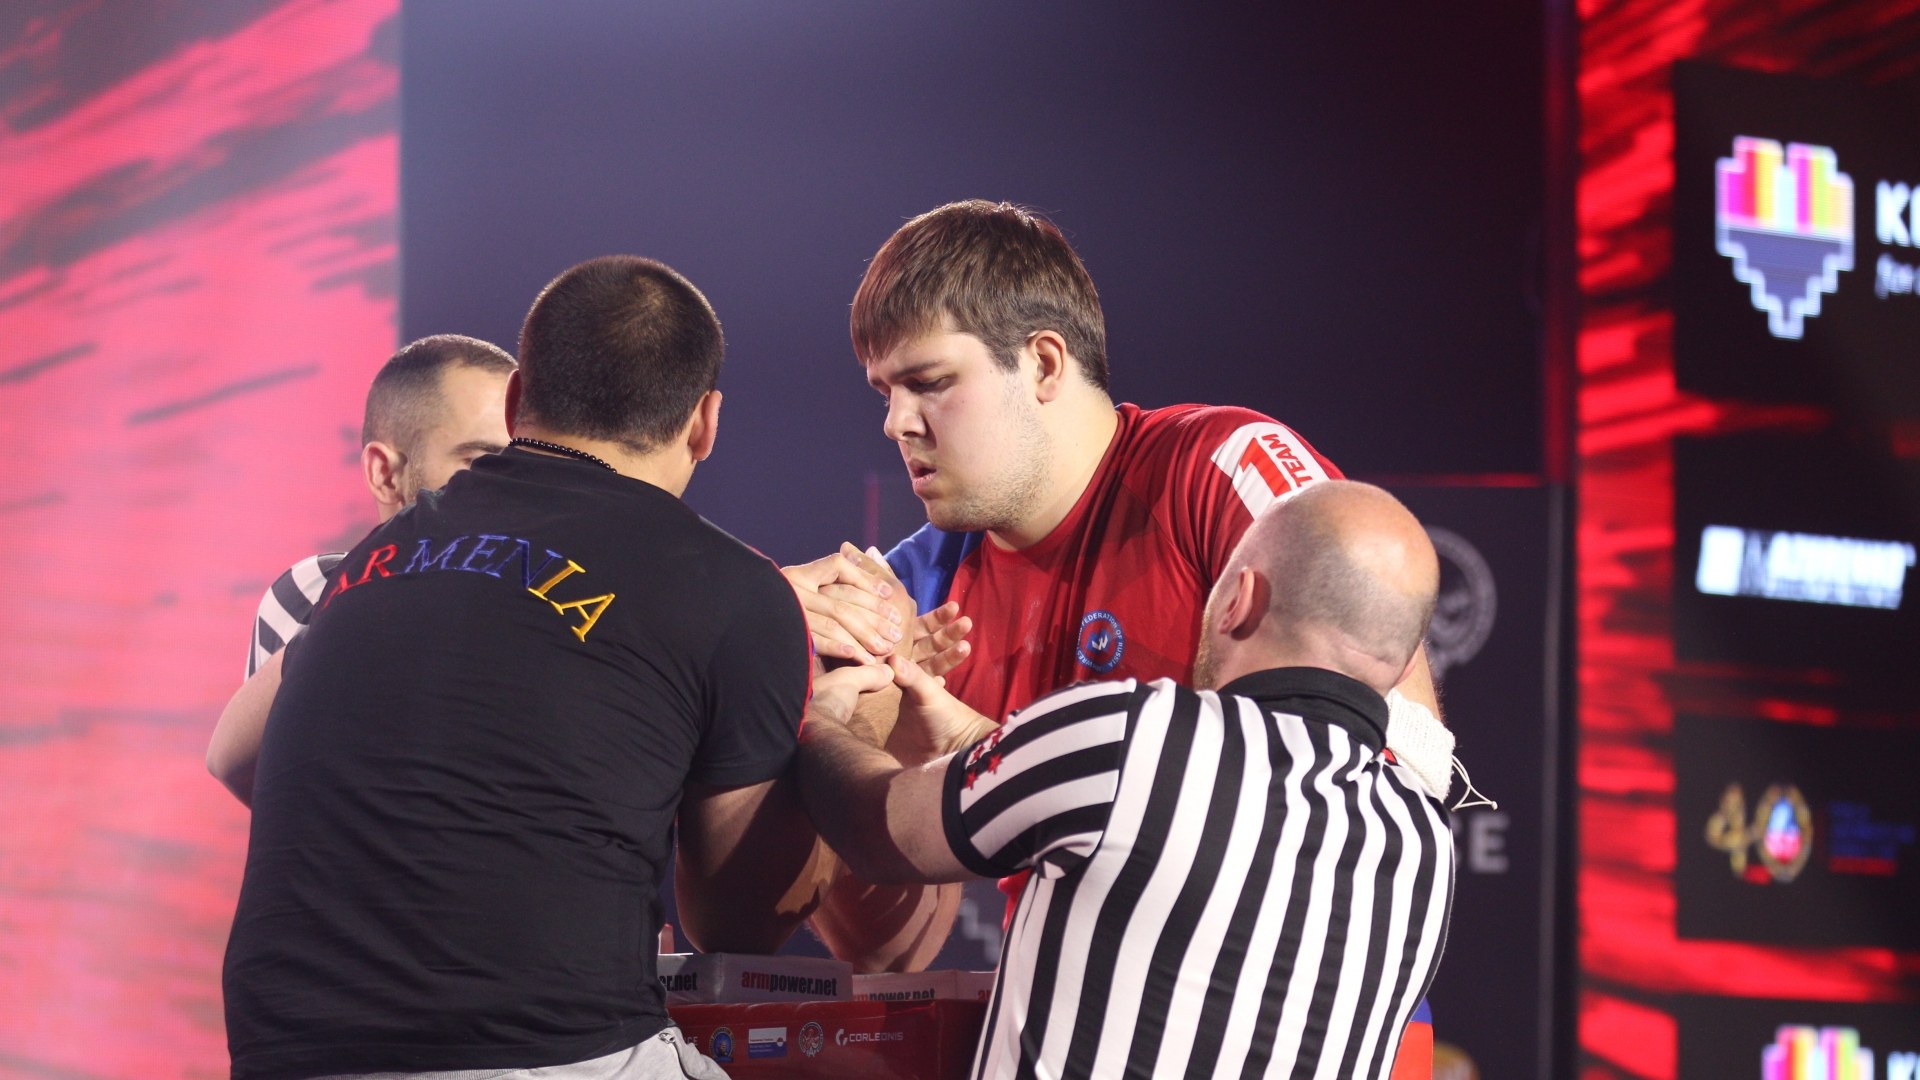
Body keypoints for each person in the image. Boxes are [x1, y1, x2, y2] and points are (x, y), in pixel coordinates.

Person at [797, 200, 1448, 971]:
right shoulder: (915, 588)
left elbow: (1410, 767)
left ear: (1042, 363)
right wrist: (864, 740)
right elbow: (885, 952)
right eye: (884, 393)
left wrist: (997, 757)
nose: (896, 422)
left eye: (929, 382)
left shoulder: (1225, 472)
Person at [211, 256, 815, 1079]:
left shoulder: (381, 550)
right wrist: (849, 719)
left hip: (282, 1053)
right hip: (550, 1052)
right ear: (705, 422)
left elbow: (233, 752)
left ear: (516, 398)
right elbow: (735, 924)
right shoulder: (736, 587)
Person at [799, 480, 1456, 1080]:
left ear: (1239, 599)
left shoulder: (1139, 732)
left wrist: (826, 718)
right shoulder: (1425, 846)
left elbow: (876, 826)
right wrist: (981, 744)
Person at [243, 334, 514, 680]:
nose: (514, 484)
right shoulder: (307, 595)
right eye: (481, 464)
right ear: (385, 475)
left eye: (525, 465)